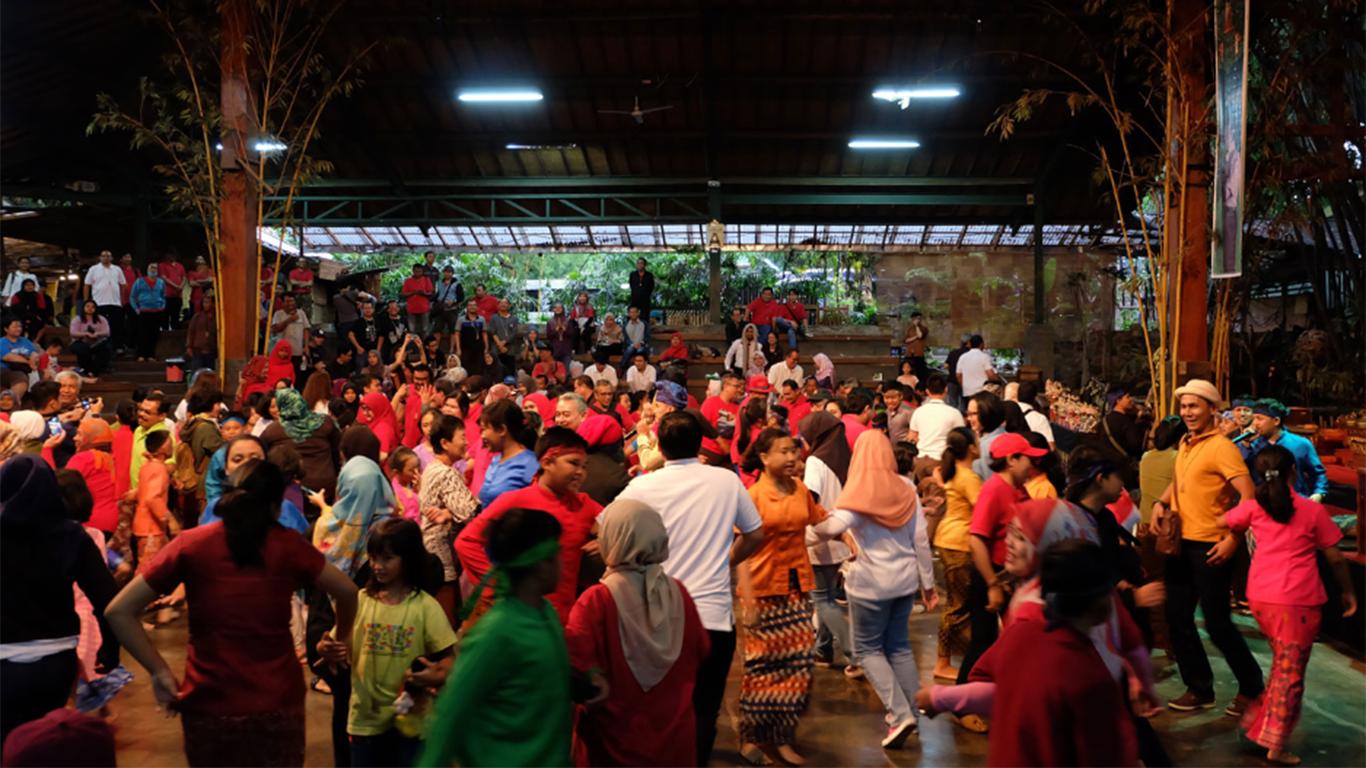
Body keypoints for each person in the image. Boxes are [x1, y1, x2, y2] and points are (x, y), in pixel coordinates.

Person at [106, 459, 359, 767]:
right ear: (275, 505)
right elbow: (347, 591)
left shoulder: (191, 545)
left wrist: (159, 671)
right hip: (277, 701)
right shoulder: (287, 545)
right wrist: (339, 639)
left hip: (208, 702)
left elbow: (119, 611)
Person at [614, 410, 765, 764]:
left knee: (658, 708)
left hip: (658, 616)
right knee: (704, 711)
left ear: (660, 448)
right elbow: (755, 534)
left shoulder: (642, 486)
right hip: (712, 618)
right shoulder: (726, 481)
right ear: (700, 443)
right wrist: (726, 559)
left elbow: (608, 528)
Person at [926, 540, 1141, 767]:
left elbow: (997, 690)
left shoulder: (1019, 634)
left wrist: (941, 697)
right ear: (1100, 604)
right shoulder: (1092, 676)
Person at [417, 509, 581, 768]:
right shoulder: (496, 632)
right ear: (541, 564)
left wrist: (583, 684)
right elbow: (451, 714)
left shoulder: (545, 613)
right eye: (557, 554)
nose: (564, 561)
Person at [1226, 445, 1358, 766]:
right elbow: (1336, 557)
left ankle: (1259, 725)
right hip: (1296, 603)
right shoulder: (1310, 511)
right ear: (1294, 473)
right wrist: (1348, 592)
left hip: (1260, 598)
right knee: (1290, 675)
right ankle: (1275, 742)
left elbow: (1226, 519)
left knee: (1282, 668)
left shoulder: (1255, 508)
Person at [810, 430, 937, 750]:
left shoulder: (859, 491)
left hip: (869, 584)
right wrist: (929, 585)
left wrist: (804, 528)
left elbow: (830, 529)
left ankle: (898, 715)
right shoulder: (907, 487)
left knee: (867, 650)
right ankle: (912, 713)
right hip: (905, 581)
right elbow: (921, 540)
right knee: (899, 647)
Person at [566, 499, 710, 765]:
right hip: (675, 738)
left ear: (614, 538)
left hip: (615, 741)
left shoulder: (596, 600)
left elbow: (577, 667)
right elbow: (700, 650)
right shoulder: (678, 592)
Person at [1150, 378, 1263, 714]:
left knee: (1216, 623)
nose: (1188, 412)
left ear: (1212, 409)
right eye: (1184, 406)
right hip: (1181, 543)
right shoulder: (1187, 443)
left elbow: (1248, 496)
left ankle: (1252, 687)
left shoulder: (1221, 448)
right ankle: (1199, 688)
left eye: (1194, 406)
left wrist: (1233, 538)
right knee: (1177, 617)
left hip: (1211, 546)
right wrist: (1161, 502)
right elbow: (1179, 481)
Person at [318, 518, 455, 767]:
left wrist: (437, 674)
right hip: (364, 719)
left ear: (409, 558)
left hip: (409, 721)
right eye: (373, 558)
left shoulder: (425, 607)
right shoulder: (360, 601)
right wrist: (326, 649)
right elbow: (335, 642)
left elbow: (449, 657)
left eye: (387, 558)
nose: (377, 566)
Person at [0, 456, 119, 742]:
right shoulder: (71, 535)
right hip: (56, 660)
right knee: (44, 741)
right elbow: (108, 599)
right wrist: (111, 648)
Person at [736, 427, 825, 765]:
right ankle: (751, 737)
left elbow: (820, 519)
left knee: (799, 664)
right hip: (762, 590)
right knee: (762, 667)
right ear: (763, 457)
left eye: (794, 451)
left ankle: (782, 737)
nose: (792, 458)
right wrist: (746, 599)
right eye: (784, 452)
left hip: (797, 587)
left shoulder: (801, 488)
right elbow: (740, 547)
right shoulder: (753, 495)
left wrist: (847, 538)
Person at [458, 427, 602, 625]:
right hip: (517, 620)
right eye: (573, 463)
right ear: (547, 462)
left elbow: (622, 527)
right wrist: (500, 584)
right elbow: (466, 541)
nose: (581, 473)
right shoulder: (516, 500)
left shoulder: (584, 505)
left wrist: (605, 542)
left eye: (584, 466)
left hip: (563, 620)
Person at [957, 432, 1040, 702]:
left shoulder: (1019, 489)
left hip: (1010, 577)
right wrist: (992, 584)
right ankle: (962, 703)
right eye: (1027, 458)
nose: (1032, 465)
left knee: (1015, 638)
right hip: (990, 574)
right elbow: (977, 540)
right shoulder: (994, 489)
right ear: (1011, 460)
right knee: (982, 641)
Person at [796, 411, 855, 672]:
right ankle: (823, 651)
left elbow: (811, 498)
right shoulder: (847, 459)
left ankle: (855, 653)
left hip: (819, 536)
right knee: (827, 595)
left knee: (822, 600)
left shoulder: (816, 462)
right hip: (841, 536)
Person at [418, 414, 480, 625]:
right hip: (441, 557)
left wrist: (449, 514)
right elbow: (470, 512)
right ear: (444, 443)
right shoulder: (445, 473)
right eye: (462, 437)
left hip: (432, 552)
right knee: (446, 620)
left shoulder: (433, 468)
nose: (467, 442)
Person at [932, 426, 980, 682]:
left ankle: (949, 658)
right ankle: (942, 662)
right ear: (971, 447)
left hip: (949, 538)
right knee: (957, 606)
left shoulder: (955, 472)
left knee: (957, 603)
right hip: (959, 543)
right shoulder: (968, 477)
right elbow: (983, 509)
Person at [1244, 400, 1328, 502]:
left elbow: (1318, 473)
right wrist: (1245, 445)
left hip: (1296, 500)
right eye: (1253, 419)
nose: (1255, 423)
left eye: (1259, 419)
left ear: (1276, 421)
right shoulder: (1252, 445)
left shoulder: (1300, 444)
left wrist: (1319, 493)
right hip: (1261, 502)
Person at [473, 398, 539, 508]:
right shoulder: (495, 460)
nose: (482, 436)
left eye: (484, 430)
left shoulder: (530, 464)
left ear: (502, 430)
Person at [907, 373, 965, 462]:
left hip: (922, 459)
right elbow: (961, 438)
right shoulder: (954, 413)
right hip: (945, 461)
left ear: (927, 391)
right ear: (946, 390)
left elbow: (911, 437)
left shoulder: (918, 412)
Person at [83, 250, 126, 358]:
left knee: (116, 326)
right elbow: (87, 285)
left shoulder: (117, 269)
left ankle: (117, 347)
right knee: (100, 326)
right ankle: (101, 347)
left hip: (115, 302)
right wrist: (87, 301)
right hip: (99, 302)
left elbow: (123, 284)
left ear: (111, 258)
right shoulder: (94, 269)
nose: (106, 258)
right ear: (100, 257)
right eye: (103, 256)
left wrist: (122, 299)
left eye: (108, 256)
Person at [128, 265, 166, 362]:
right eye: (151, 268)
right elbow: (132, 296)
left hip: (157, 312)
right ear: (147, 270)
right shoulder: (139, 281)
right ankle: (141, 355)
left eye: (155, 268)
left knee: (154, 334)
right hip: (144, 311)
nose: (153, 270)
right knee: (142, 334)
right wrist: (136, 308)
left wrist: (162, 306)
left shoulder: (161, 282)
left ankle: (151, 355)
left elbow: (163, 295)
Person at [967, 391, 1007, 480]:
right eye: (968, 414)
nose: (969, 418)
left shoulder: (986, 447)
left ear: (986, 412)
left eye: (973, 414)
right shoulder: (1004, 434)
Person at [68, 300, 113, 375]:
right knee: (82, 349)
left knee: (106, 347)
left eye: (92, 307)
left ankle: (96, 370)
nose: (90, 308)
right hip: (80, 341)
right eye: (87, 306)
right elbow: (73, 332)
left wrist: (97, 333)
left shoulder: (101, 319)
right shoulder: (77, 319)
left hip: (97, 342)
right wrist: (85, 334)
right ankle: (86, 370)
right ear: (83, 308)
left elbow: (107, 332)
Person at [270, 294, 310, 378]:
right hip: (283, 353)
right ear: (283, 303)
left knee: (297, 374)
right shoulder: (278, 314)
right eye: (287, 301)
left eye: (292, 301)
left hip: (297, 351)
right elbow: (275, 329)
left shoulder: (301, 313)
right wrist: (289, 320)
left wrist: (306, 346)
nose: (290, 304)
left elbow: (306, 329)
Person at [9, 278, 54, 343]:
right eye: (27, 285)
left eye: (31, 285)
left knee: (40, 326)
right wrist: (25, 316)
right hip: (20, 317)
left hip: (34, 317)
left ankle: (34, 342)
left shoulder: (38, 296)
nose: (29, 287)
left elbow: (42, 308)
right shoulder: (17, 295)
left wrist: (36, 317)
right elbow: (14, 309)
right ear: (23, 286)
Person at [955, 335, 999, 399]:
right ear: (981, 344)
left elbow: (958, 375)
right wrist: (997, 381)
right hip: (982, 392)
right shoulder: (984, 357)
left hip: (968, 392)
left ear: (970, 344)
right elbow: (990, 374)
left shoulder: (963, 357)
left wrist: (964, 386)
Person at [400, 264, 435, 338]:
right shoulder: (408, 281)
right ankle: (414, 346)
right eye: (416, 271)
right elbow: (403, 294)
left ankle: (425, 346)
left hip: (424, 308)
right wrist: (412, 293)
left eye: (419, 271)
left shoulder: (426, 280)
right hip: (411, 309)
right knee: (412, 330)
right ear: (413, 271)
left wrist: (423, 293)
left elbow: (431, 293)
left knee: (425, 329)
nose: (418, 273)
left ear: (422, 271)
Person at [185, 293, 217, 371]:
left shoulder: (216, 318)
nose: (205, 305)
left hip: (211, 350)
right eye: (204, 302)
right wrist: (189, 346)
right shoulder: (197, 316)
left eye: (208, 302)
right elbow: (191, 331)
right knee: (197, 372)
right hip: (198, 350)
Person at [628, 258, 655, 332]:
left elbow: (651, 287)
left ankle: (645, 336)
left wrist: (644, 294)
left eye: (642, 263)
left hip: (645, 301)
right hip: (635, 300)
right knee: (634, 317)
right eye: (638, 263)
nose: (640, 265)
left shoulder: (649, 275)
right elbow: (631, 286)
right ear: (636, 265)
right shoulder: (633, 274)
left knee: (645, 319)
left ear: (644, 265)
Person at [902, 312, 929, 380]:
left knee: (920, 373)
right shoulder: (909, 329)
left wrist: (917, 326)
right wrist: (915, 337)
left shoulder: (923, 328)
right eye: (916, 319)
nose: (917, 320)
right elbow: (906, 340)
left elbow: (920, 336)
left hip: (919, 355)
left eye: (919, 319)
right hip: (909, 355)